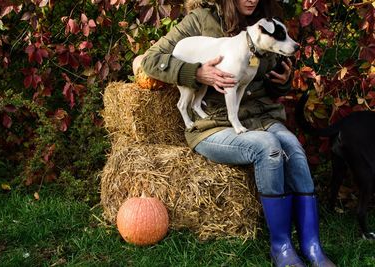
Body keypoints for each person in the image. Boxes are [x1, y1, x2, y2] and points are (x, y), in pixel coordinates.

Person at [139, 0, 336, 266]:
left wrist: (283, 82)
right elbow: (151, 60)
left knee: (294, 150)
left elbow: (269, 81)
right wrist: (196, 73)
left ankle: (312, 246)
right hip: (215, 122)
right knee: (268, 148)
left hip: (260, 116)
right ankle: (282, 247)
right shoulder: (199, 20)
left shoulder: (269, 21)